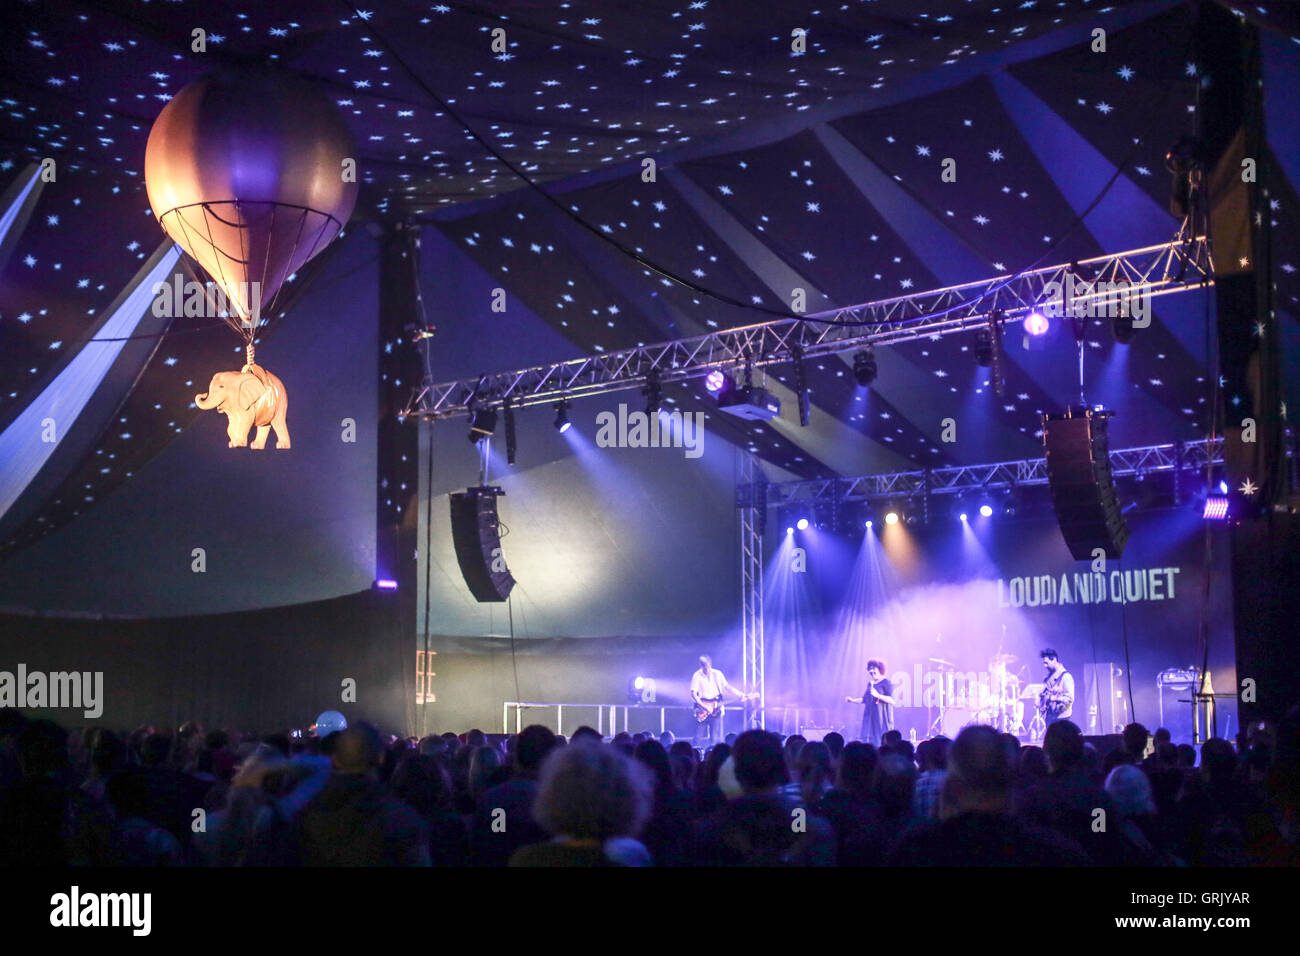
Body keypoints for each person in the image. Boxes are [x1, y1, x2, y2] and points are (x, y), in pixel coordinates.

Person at [689, 655, 748, 747]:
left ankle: (711, 755)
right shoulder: (697, 675)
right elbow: (693, 694)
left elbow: (727, 687)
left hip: (716, 709)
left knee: (714, 737)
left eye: (707, 666)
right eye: (704, 666)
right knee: (698, 737)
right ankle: (696, 755)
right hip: (702, 709)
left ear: (710, 664)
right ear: (701, 665)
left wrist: (740, 694)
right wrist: (704, 706)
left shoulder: (718, 674)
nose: (706, 669)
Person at [846, 659, 895, 745]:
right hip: (870, 717)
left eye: (873, 668)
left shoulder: (886, 682)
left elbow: (892, 700)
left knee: (882, 740)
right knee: (870, 740)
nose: (871, 671)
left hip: (882, 718)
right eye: (869, 669)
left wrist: (878, 696)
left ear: (880, 669)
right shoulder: (870, 684)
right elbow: (864, 699)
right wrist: (852, 700)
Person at [1037, 649, 1074, 725]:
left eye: (1046, 663)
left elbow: (1070, 699)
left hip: (1061, 718)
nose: (1044, 666)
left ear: (1054, 659)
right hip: (1050, 717)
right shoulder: (1047, 678)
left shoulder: (1066, 677)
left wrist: (1053, 698)